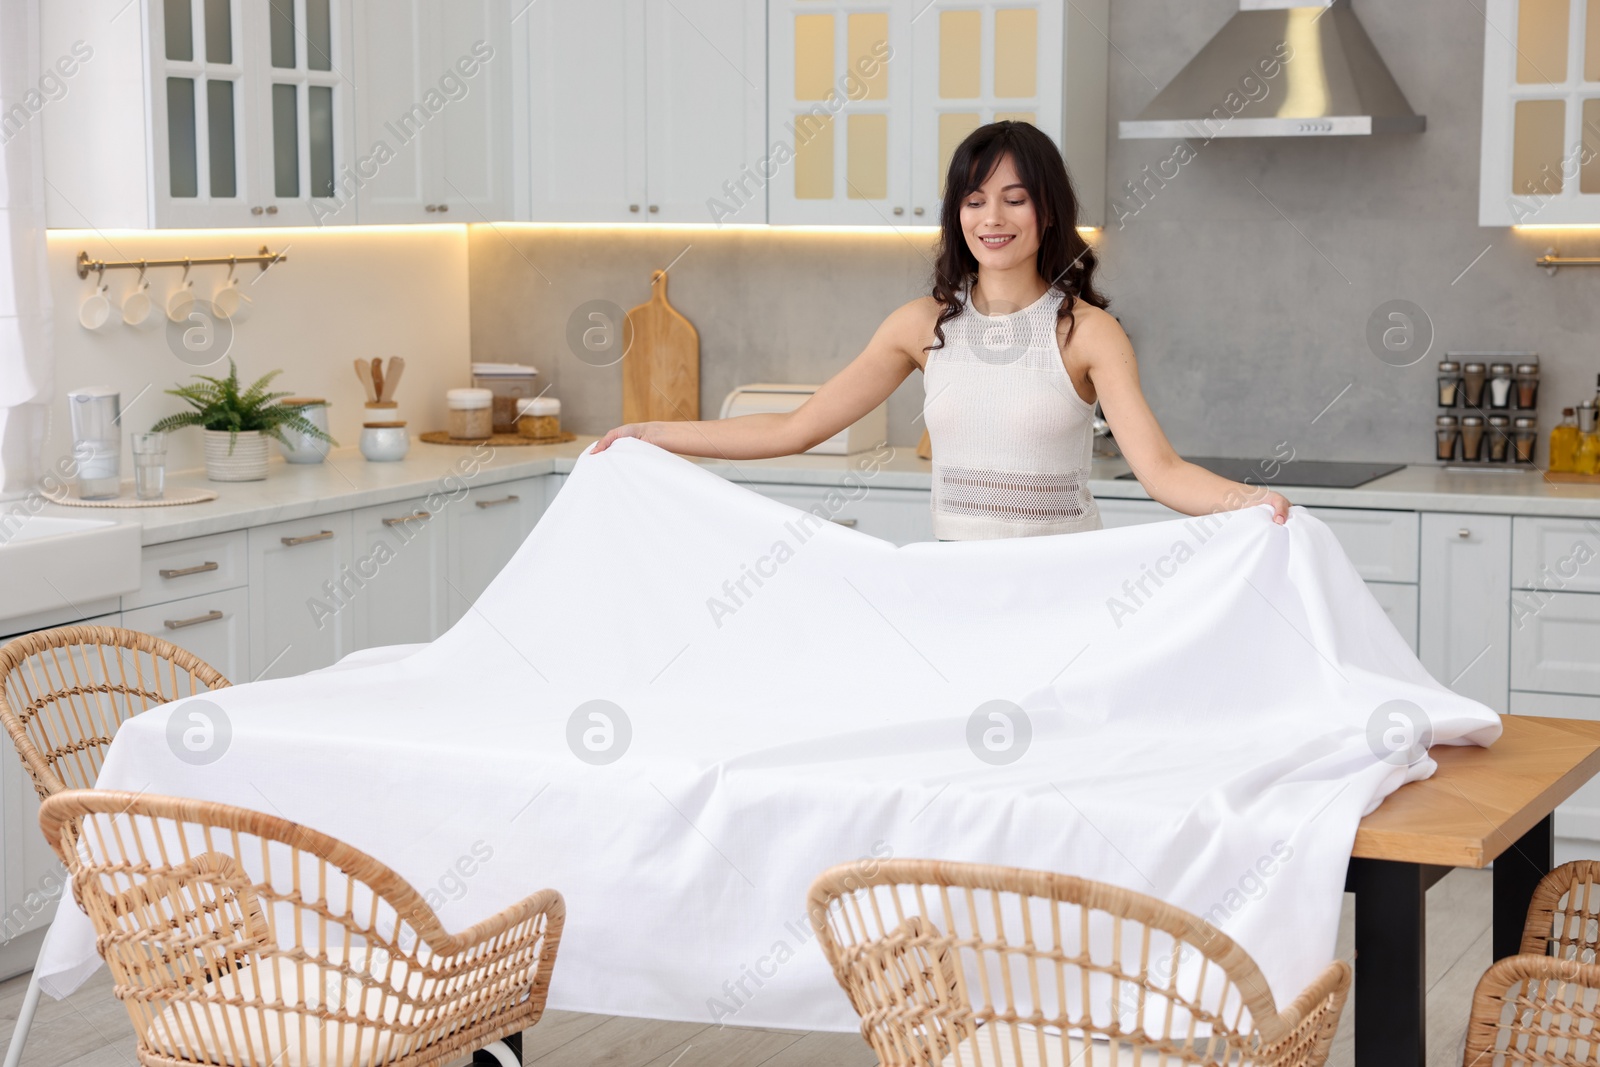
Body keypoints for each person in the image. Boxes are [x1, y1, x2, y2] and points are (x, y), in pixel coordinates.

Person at [593, 120, 1291, 540]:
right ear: (956, 213)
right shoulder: (918, 326)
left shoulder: (1088, 332)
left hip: (1065, 592)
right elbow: (794, 427)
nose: (993, 216)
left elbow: (1161, 472)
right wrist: (653, 434)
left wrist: (1251, 501)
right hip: (957, 589)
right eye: (975, 198)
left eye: (1015, 199)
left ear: (1047, 213)